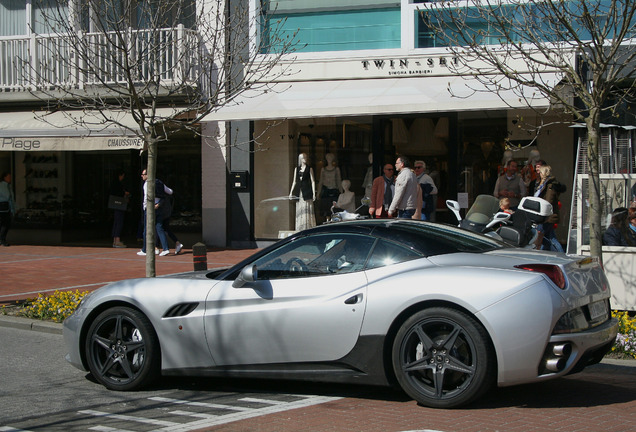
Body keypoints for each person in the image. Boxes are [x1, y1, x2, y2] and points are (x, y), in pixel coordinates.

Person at [137, 169, 173, 257]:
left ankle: (145, 249)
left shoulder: (147, 184)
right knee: (159, 228)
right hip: (159, 208)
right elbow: (170, 191)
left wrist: (145, 207)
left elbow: (147, 197)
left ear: (148, 175)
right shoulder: (159, 183)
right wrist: (159, 202)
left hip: (150, 209)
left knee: (146, 229)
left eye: (143, 174)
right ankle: (165, 248)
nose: (142, 176)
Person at [533, 164, 565, 251]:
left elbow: (548, 201)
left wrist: (543, 215)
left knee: (541, 235)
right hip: (544, 215)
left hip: (546, 216)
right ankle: (554, 254)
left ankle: (560, 254)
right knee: (550, 238)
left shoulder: (550, 185)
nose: (539, 173)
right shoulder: (543, 184)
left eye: (540, 171)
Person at [289, 153, 317, 231]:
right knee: (300, 209)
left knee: (307, 208)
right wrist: (291, 192)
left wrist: (314, 193)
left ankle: (308, 227)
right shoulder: (296, 169)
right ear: (300, 159)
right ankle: (300, 228)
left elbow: (313, 181)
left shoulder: (309, 169)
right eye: (303, 158)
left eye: (306, 157)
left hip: (307, 191)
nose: (305, 159)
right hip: (299, 192)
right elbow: (294, 181)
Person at [317, 153, 342, 219]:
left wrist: (342, 192)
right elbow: (321, 181)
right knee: (326, 208)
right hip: (326, 191)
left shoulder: (336, 169)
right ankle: (327, 220)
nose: (329, 159)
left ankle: (334, 220)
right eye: (328, 158)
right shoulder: (323, 169)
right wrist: (318, 193)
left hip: (334, 190)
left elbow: (339, 181)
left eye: (331, 158)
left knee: (334, 208)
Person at [110, 170, 130, 248]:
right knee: (119, 221)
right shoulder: (118, 184)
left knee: (116, 221)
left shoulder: (113, 184)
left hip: (115, 204)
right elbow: (120, 193)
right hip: (119, 204)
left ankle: (115, 240)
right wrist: (125, 194)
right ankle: (117, 240)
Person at [0, 172, 15, 246]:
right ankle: (2, 240)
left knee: (6, 224)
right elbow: (7, 196)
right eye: (8, 177)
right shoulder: (2, 185)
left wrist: (13, 209)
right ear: (4, 177)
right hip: (3, 208)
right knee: (5, 224)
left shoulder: (8, 186)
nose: (10, 179)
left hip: (6, 207)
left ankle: (2, 239)